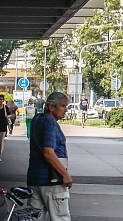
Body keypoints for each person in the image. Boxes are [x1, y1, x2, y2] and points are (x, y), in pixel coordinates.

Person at [28, 92, 72, 221]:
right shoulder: (50, 122)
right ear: (51, 107)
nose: (66, 110)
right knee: (60, 217)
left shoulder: (37, 119)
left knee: (35, 217)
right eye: (63, 106)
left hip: (35, 179)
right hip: (52, 181)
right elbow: (48, 152)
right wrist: (65, 174)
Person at [0, 97, 9, 161]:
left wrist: (8, 116)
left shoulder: (5, 108)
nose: (0, 100)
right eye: (0, 99)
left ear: (3, 100)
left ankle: (0, 155)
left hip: (3, 126)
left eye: (2, 99)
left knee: (1, 142)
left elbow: (10, 115)